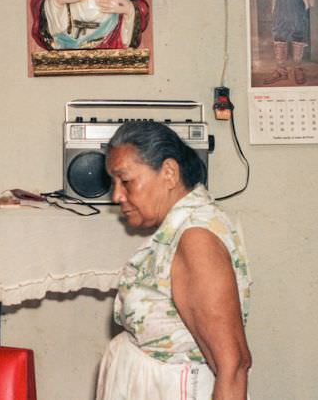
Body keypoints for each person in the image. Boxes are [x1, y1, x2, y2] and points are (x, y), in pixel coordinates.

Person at [96, 121, 252, 400]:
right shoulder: (180, 227)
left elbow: (234, 365)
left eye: (126, 181)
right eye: (113, 183)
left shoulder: (196, 238)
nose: (117, 195)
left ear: (168, 172)